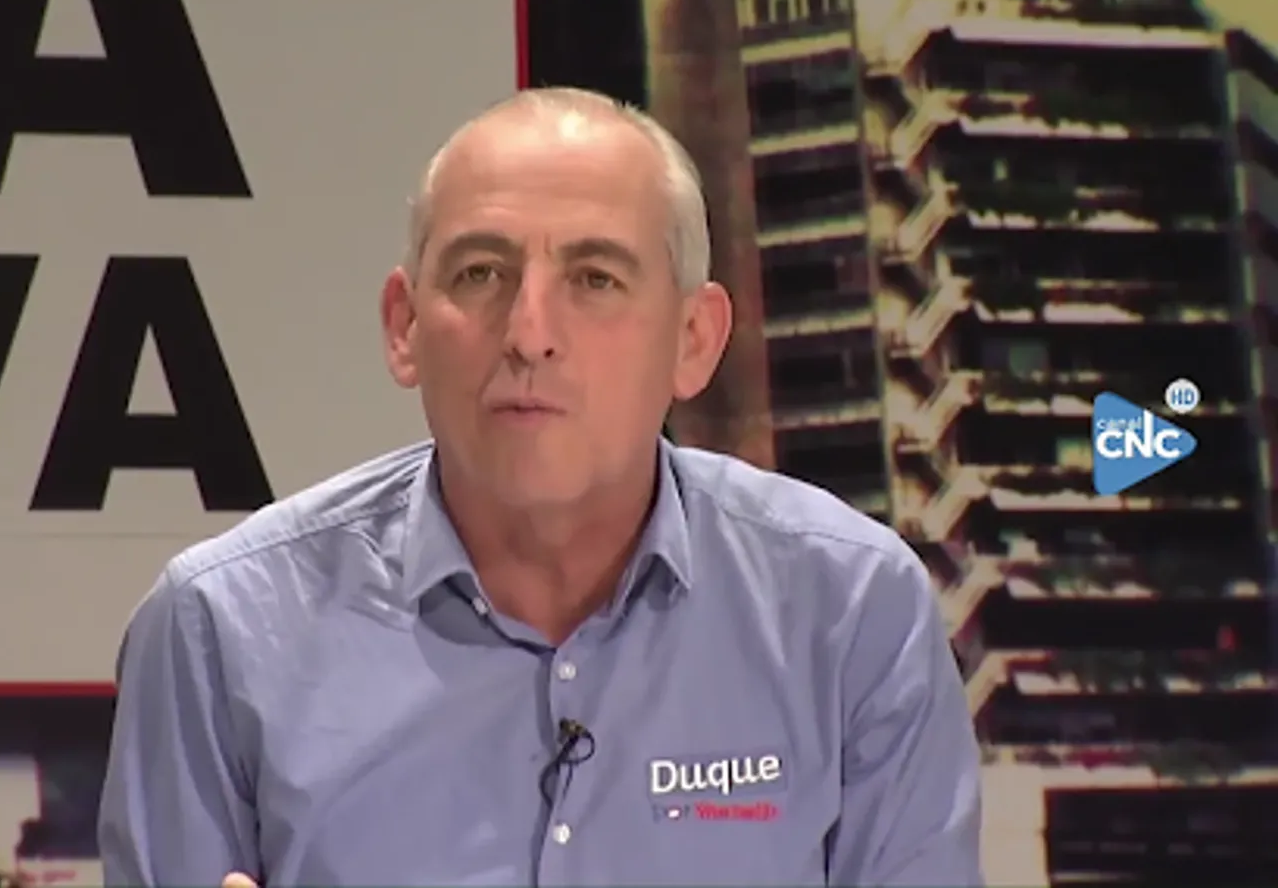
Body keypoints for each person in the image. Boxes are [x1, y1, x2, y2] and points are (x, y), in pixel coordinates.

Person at [97, 87, 983, 887]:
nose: (529, 333)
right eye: (481, 273)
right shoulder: (219, 632)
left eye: (595, 279)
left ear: (694, 339)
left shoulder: (851, 614)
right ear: (404, 327)